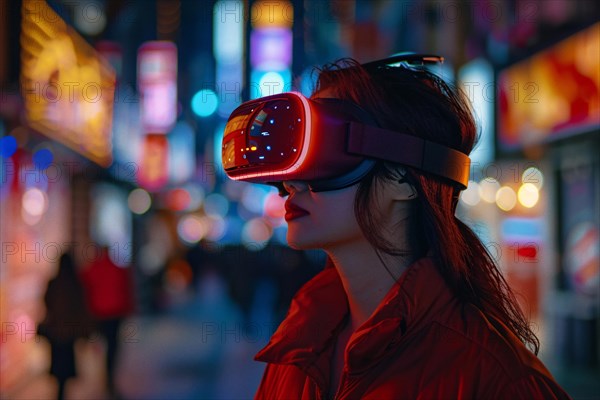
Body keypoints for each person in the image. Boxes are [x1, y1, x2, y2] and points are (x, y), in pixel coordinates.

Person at [221, 54, 571, 399]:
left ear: (404, 179)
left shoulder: (498, 380)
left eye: (322, 154)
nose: (290, 184)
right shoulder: (296, 348)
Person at [80, 245, 134, 398]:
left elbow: (85, 291)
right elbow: (126, 291)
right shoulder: (117, 269)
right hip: (114, 314)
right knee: (112, 347)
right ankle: (108, 377)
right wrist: (128, 310)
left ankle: (102, 377)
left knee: (98, 346)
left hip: (98, 314)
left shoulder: (91, 270)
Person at [39, 251, 92, 400]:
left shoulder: (54, 283)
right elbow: (82, 308)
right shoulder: (76, 284)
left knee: (58, 363)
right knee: (66, 363)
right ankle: (61, 392)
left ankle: (60, 392)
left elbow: (47, 302)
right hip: (69, 332)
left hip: (56, 331)